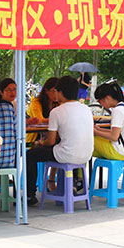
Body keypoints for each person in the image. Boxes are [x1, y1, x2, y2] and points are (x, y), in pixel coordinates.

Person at [25, 76, 94, 204]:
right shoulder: (86, 109)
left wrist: (40, 143)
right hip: (87, 155)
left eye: (56, 91)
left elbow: (50, 142)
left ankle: (30, 195)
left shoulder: (57, 111)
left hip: (66, 155)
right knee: (59, 147)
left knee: (31, 155)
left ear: (60, 92)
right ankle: (69, 185)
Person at [27, 77, 59, 191]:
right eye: (54, 91)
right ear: (46, 91)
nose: (56, 94)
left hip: (50, 138)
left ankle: (52, 179)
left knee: (58, 145)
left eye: (58, 91)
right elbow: (39, 119)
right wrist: (56, 119)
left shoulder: (58, 104)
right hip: (34, 137)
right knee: (55, 145)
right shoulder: (36, 102)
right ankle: (32, 190)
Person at [93, 82, 124, 161]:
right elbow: (117, 133)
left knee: (86, 140)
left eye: (99, 101)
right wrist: (99, 129)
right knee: (88, 148)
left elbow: (114, 137)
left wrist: (95, 132)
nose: (100, 104)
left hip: (118, 152)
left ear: (107, 98)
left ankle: (77, 168)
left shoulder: (117, 110)